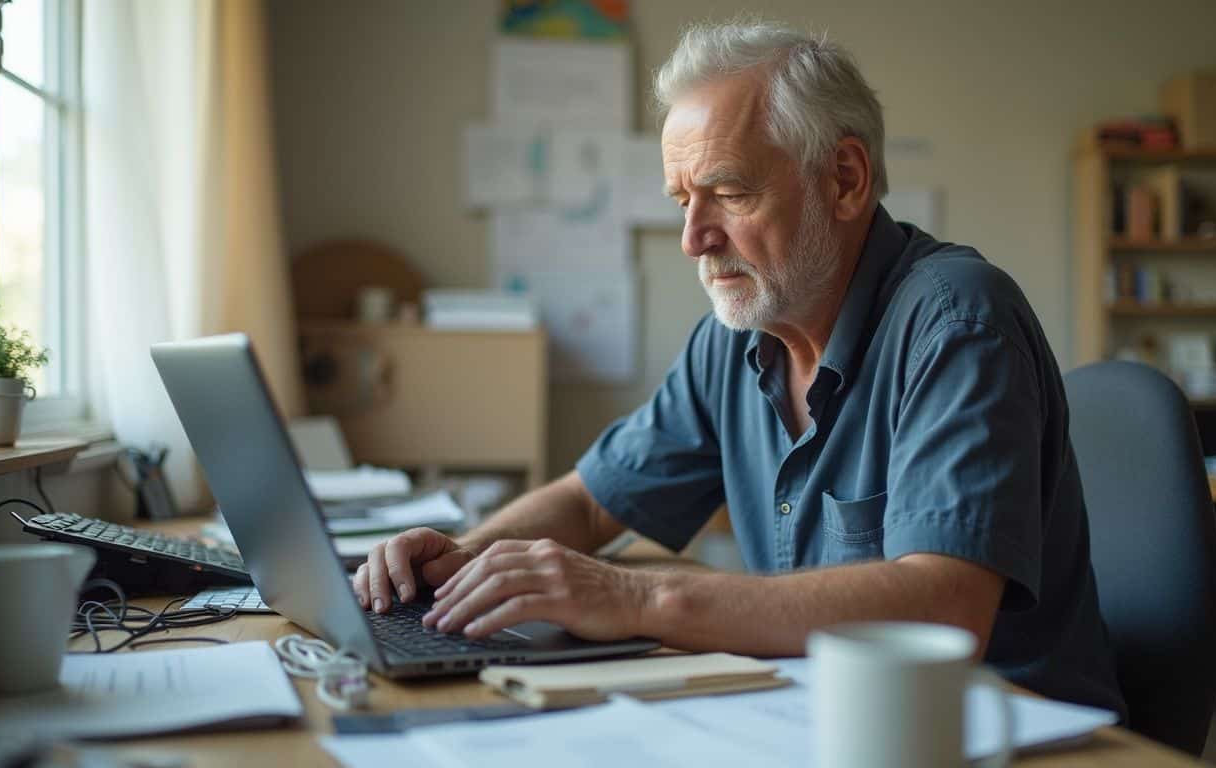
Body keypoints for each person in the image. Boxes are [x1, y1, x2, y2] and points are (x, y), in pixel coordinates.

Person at [354, 18, 1125, 715]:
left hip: (993, 729)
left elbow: (941, 604)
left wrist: (636, 595)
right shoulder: (733, 338)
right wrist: (465, 563)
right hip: (814, 714)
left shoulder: (957, 321)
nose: (693, 238)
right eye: (682, 199)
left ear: (845, 180)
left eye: (727, 192)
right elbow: (591, 504)